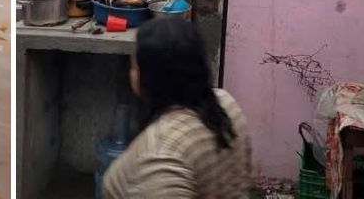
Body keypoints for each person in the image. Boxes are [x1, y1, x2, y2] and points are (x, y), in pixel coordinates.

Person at [102, 18, 254, 198]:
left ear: (150, 79)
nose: (131, 72)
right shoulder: (226, 104)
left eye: (135, 66)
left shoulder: (160, 158)